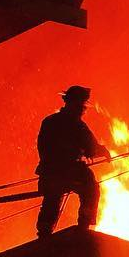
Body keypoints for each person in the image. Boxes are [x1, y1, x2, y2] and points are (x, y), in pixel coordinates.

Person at [35, 85, 108, 238]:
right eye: (82, 105)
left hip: (49, 172)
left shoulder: (49, 121)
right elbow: (91, 148)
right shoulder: (77, 125)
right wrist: (103, 151)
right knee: (91, 188)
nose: (84, 109)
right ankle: (84, 226)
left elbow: (42, 147)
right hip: (70, 171)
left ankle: (44, 232)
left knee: (52, 198)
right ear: (75, 104)